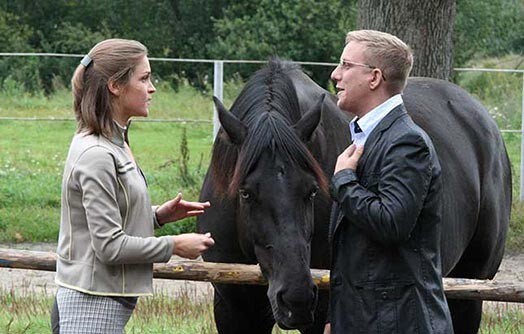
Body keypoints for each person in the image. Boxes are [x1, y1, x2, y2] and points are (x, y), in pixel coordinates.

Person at [51, 38, 215, 334]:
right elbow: (109, 246)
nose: (152, 88)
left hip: (103, 304)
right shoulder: (97, 154)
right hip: (89, 309)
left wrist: (157, 216)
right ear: (115, 85)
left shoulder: (115, 141)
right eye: (144, 78)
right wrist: (174, 245)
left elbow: (105, 215)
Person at [324, 30, 453, 333]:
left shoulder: (407, 143)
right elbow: (353, 252)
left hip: (399, 323)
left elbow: (391, 223)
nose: (335, 74)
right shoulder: (364, 139)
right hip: (364, 320)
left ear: (374, 78)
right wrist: (335, 317)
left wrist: (344, 180)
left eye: (346, 65)